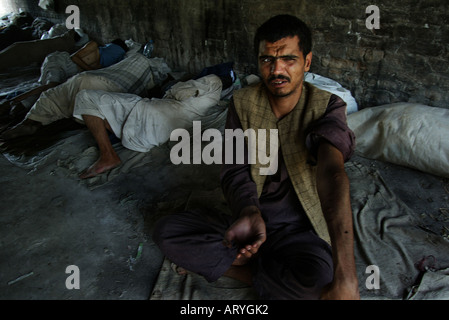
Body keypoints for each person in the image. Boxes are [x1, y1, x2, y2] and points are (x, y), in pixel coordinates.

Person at [152, 14, 360, 300]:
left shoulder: (328, 107)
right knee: (168, 231)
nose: (277, 70)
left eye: (289, 59)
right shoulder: (242, 102)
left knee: (320, 282)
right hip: (252, 219)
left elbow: (332, 173)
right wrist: (248, 210)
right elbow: (235, 167)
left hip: (301, 230)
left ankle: (238, 269)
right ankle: (264, 273)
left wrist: (347, 278)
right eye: (266, 60)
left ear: (307, 62)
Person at [72, 74, 225, 179]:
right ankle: (122, 133)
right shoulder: (216, 106)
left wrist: (176, 87)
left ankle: (108, 155)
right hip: (156, 136)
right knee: (108, 110)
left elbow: (179, 92)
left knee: (86, 97)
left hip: (150, 114)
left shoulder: (214, 80)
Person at [0, 51, 170, 140]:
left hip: (88, 79)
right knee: (98, 102)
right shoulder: (145, 66)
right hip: (104, 83)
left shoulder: (138, 59)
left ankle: (31, 121)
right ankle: (86, 118)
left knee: (52, 96)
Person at [0, 39, 129, 118]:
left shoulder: (104, 64)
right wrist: (90, 71)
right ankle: (11, 101)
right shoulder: (93, 45)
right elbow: (74, 57)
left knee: (52, 91)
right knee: (52, 85)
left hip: (69, 72)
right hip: (60, 61)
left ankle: (21, 105)